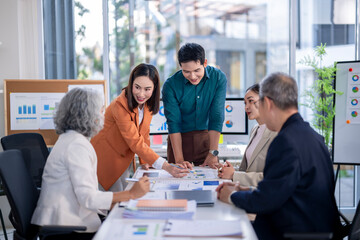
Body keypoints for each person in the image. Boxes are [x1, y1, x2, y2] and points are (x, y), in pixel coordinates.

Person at [216, 73, 341, 239]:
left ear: (267, 103)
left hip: (294, 232)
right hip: (316, 228)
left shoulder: (285, 141)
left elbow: (266, 200)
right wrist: (245, 189)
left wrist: (232, 196)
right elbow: (284, 187)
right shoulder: (311, 135)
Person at [31, 88, 150, 238]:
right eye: (100, 111)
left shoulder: (70, 139)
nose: (103, 116)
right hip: (68, 228)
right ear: (89, 116)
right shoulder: (76, 146)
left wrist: (118, 200)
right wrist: (130, 194)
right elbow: (88, 198)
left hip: (66, 219)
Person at [91, 63, 190, 192]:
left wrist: (145, 161)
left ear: (154, 88)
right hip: (105, 158)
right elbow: (135, 142)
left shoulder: (146, 105)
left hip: (122, 160)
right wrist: (166, 166)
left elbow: (144, 135)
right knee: (111, 202)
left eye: (147, 89)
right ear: (131, 84)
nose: (141, 94)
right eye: (137, 87)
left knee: (121, 197)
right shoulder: (119, 105)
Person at [162, 43, 227, 168]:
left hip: (207, 141)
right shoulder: (170, 85)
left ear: (205, 63)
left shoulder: (218, 78)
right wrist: (179, 159)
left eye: (197, 70)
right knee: (177, 182)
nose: (192, 76)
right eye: (186, 71)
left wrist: (213, 153)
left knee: (210, 181)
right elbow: (173, 123)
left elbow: (216, 116)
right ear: (180, 66)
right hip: (179, 142)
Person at [218, 84, 277, 187]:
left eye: (251, 101)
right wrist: (228, 170)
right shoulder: (255, 129)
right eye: (245, 103)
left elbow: (273, 178)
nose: (246, 107)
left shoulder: (277, 133)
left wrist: (233, 175)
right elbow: (250, 168)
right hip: (249, 190)